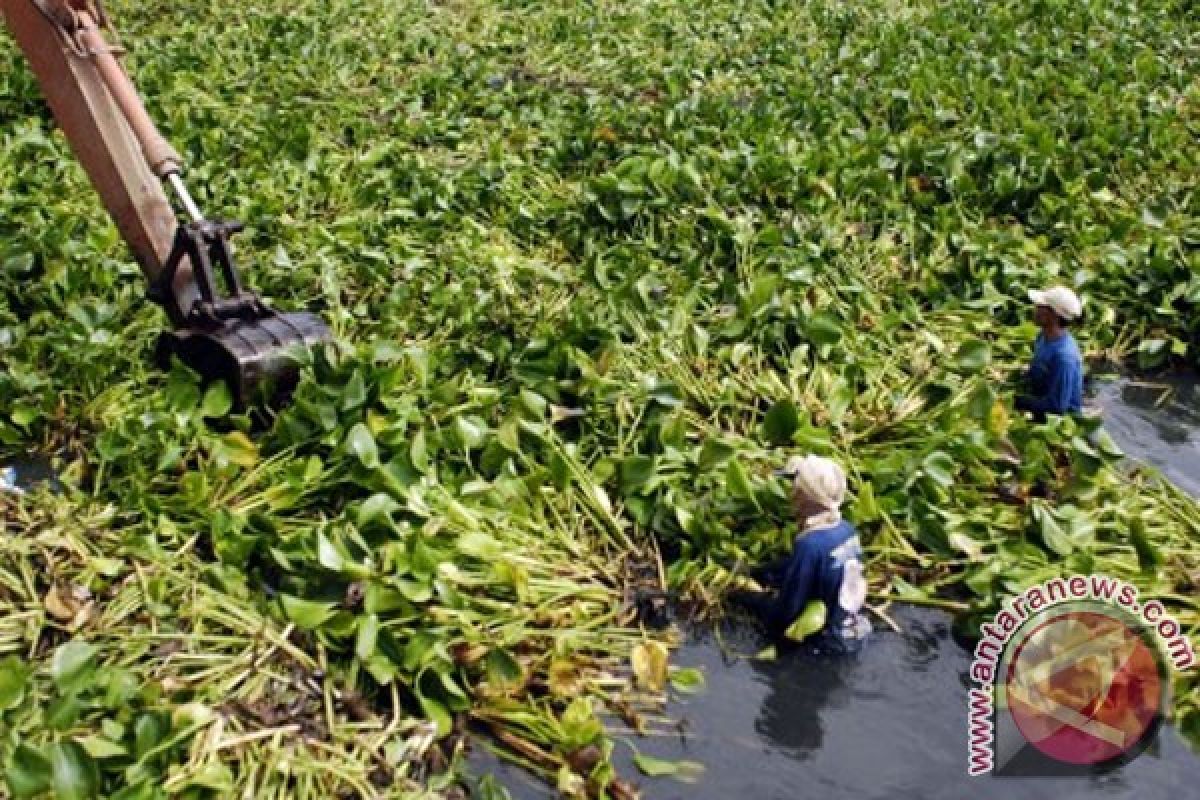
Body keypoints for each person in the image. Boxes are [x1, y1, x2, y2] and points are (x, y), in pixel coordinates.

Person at [735, 455, 871, 652]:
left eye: (795, 489)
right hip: (855, 632)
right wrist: (758, 572)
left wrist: (746, 598)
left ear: (804, 496)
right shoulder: (847, 529)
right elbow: (818, 565)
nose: (791, 493)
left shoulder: (810, 545)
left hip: (828, 646)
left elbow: (785, 615)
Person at [1015, 286, 1084, 420]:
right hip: (1039, 398)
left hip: (1060, 420)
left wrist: (1017, 401)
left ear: (1054, 315)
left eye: (1040, 306)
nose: (1035, 308)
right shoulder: (1043, 335)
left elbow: (1057, 407)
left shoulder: (1064, 357)